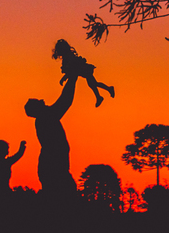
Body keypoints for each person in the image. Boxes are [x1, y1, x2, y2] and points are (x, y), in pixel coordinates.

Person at [25, 68, 81, 196]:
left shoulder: (44, 118)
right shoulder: (46, 116)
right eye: (36, 101)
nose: (40, 99)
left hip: (50, 164)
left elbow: (64, 101)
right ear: (37, 109)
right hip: (54, 165)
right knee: (63, 193)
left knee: (59, 191)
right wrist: (73, 78)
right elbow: (65, 101)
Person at [53, 39, 114, 107]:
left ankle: (104, 93)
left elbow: (72, 67)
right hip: (84, 71)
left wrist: (65, 77)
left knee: (93, 84)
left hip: (85, 70)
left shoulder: (69, 56)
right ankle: (102, 94)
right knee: (93, 84)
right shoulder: (67, 57)